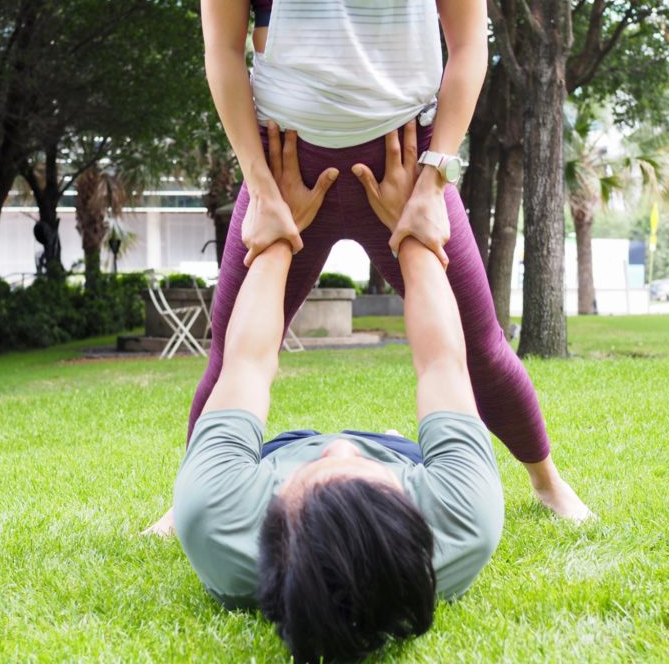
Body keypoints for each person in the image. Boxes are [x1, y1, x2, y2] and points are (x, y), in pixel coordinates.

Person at [195, 0, 590, 519]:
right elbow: (221, 51)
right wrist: (262, 188)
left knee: (480, 346)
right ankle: (188, 496)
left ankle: (547, 481)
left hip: (405, 168)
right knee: (230, 349)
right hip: (286, 171)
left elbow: (469, 49)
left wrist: (433, 183)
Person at [157, 126, 505, 663]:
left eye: (321, 471)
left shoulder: (217, 516)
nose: (340, 446)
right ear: (415, 515)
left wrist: (277, 229)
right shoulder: (464, 517)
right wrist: (415, 228)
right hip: (402, 457)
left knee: (216, 456)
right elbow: (442, 364)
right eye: (367, 474)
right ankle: (387, 451)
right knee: (387, 444)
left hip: (279, 453)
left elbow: (246, 363)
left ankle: (340, 468)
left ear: (270, 524)